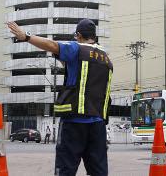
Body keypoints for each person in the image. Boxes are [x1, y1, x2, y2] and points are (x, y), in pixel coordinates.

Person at [8, 18, 113, 176]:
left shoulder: (76, 48)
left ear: (78, 35)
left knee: (65, 170)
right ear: (94, 36)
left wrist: (26, 36)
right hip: (98, 125)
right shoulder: (106, 59)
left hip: (74, 123)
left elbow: (53, 46)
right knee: (98, 171)